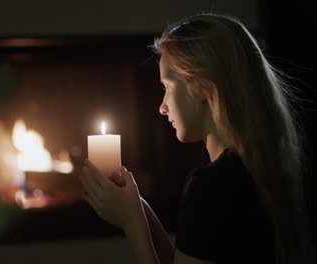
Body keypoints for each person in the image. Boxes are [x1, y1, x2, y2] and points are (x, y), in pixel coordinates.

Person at [79, 13, 316, 264]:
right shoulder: (260, 168)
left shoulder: (214, 186)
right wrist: (139, 209)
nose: (162, 107)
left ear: (202, 86)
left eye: (167, 87)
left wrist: (131, 224)